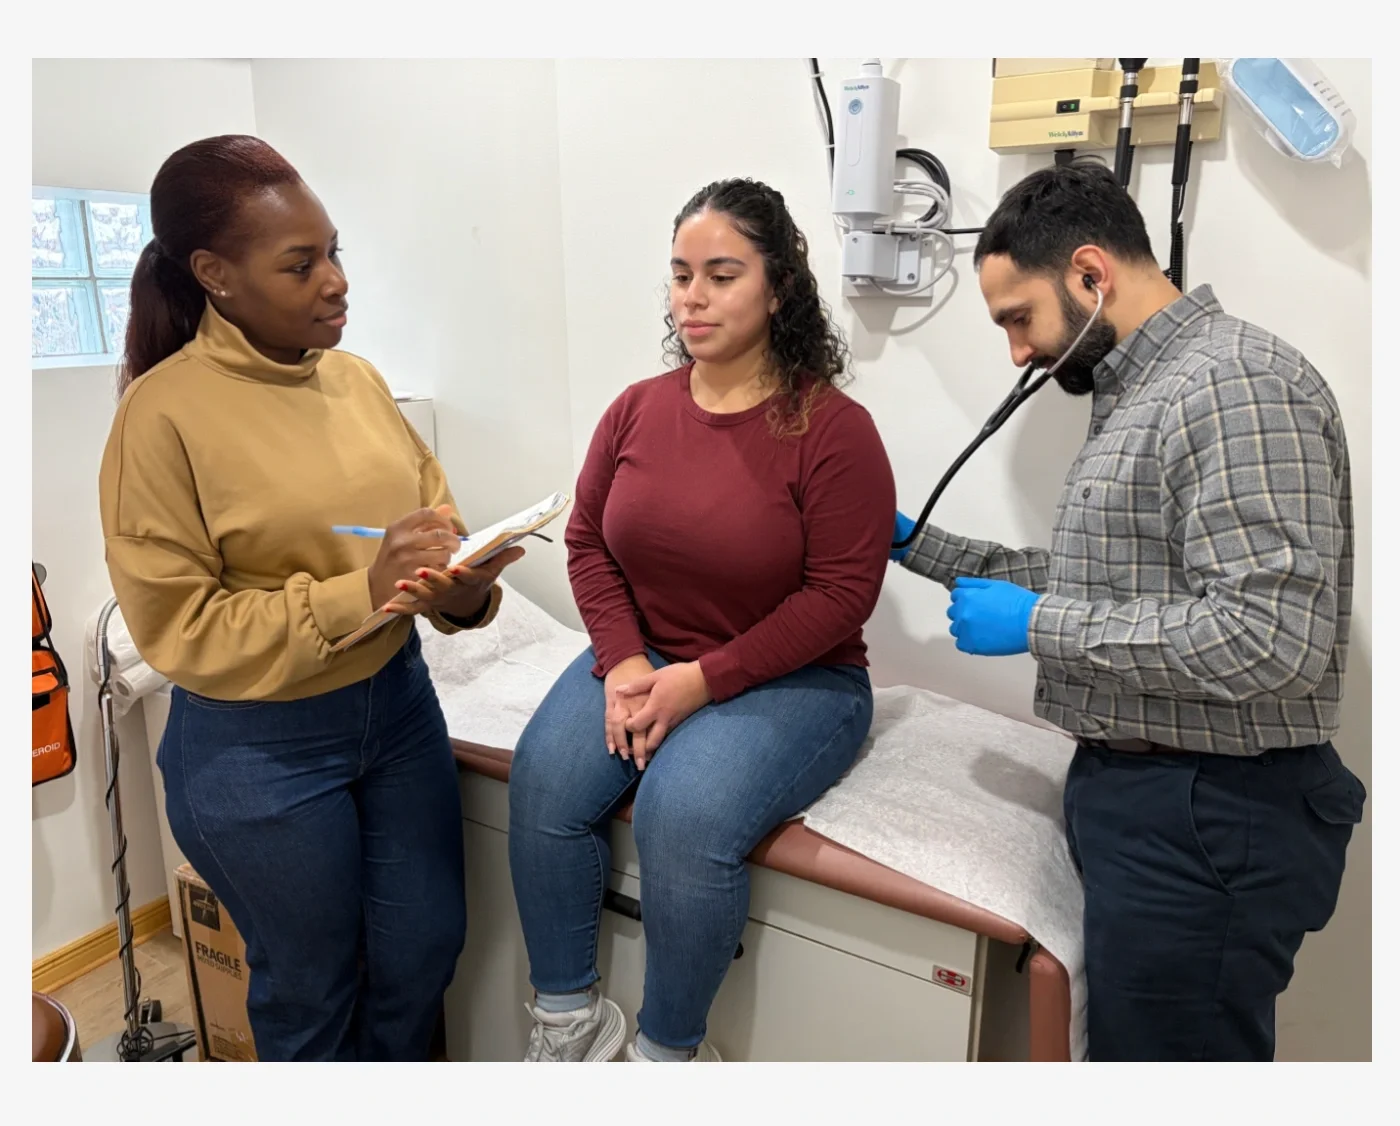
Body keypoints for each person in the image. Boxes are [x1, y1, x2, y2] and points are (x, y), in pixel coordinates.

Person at [891, 158, 1365, 1061]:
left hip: (1211, 815)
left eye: (1018, 319)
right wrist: (920, 547)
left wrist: (1035, 628)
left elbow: (1273, 638)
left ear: (1089, 274)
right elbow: (1110, 585)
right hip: (1164, 802)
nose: (1018, 353)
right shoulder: (1148, 393)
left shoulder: (1234, 386)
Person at [98, 135, 524, 1061]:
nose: (335, 281)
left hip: (398, 710)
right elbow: (179, 630)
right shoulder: (161, 416)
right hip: (259, 746)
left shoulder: (358, 381)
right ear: (214, 273)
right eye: (302, 263)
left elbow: (429, 524)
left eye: (335, 253)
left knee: (422, 955)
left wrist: (459, 590)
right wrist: (359, 592)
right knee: (313, 991)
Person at [506, 178, 896, 1062]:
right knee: (543, 782)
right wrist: (624, 662)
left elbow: (840, 598)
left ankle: (667, 1053)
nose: (694, 296)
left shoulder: (835, 431)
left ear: (780, 287)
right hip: (648, 658)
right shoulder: (637, 410)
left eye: (722, 275)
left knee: (680, 815)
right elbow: (587, 544)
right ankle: (568, 1022)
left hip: (800, 679)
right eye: (681, 275)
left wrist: (700, 682)